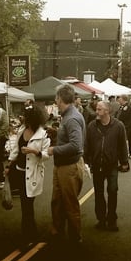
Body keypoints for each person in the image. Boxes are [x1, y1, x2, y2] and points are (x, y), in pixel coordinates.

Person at [5, 105, 50, 249]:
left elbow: (46, 155)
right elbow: (15, 150)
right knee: (25, 205)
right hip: (19, 171)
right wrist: (9, 165)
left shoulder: (43, 134)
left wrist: (34, 151)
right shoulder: (21, 130)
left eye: (27, 117)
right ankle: (31, 233)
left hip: (33, 174)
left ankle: (28, 236)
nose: (24, 119)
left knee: (27, 205)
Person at [48, 83, 86, 246]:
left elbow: (76, 145)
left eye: (56, 98)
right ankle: (57, 231)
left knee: (69, 204)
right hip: (63, 166)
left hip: (69, 167)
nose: (55, 102)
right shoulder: (68, 116)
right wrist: (56, 133)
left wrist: (54, 150)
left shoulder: (71, 118)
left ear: (60, 99)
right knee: (57, 201)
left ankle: (75, 237)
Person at [84, 98, 129, 231]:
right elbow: (87, 145)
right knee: (98, 193)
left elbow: (122, 145)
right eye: (96, 109)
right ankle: (101, 219)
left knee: (113, 191)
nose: (96, 111)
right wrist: (86, 161)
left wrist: (124, 162)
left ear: (107, 111)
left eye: (99, 109)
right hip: (97, 165)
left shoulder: (118, 126)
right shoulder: (92, 126)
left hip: (112, 165)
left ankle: (112, 219)